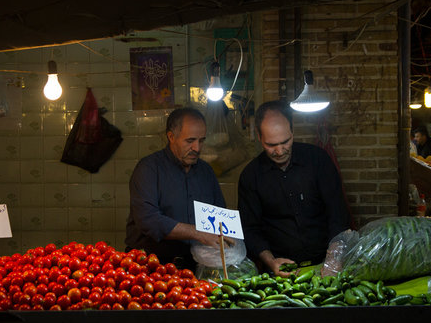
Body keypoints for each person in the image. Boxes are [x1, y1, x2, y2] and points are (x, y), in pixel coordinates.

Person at [237, 100, 350, 276]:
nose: (280, 151)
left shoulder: (318, 160)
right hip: (280, 270)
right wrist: (270, 261)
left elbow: (338, 213)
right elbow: (250, 230)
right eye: (271, 145)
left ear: (292, 131)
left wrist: (334, 259)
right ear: (259, 137)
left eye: (285, 142)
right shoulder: (251, 176)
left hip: (325, 264)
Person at [125, 107, 232, 270]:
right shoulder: (148, 169)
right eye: (190, 141)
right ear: (171, 137)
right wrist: (198, 233)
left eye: (201, 140)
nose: (197, 148)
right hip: (151, 266)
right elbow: (148, 220)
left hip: (196, 265)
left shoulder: (206, 171)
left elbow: (219, 214)